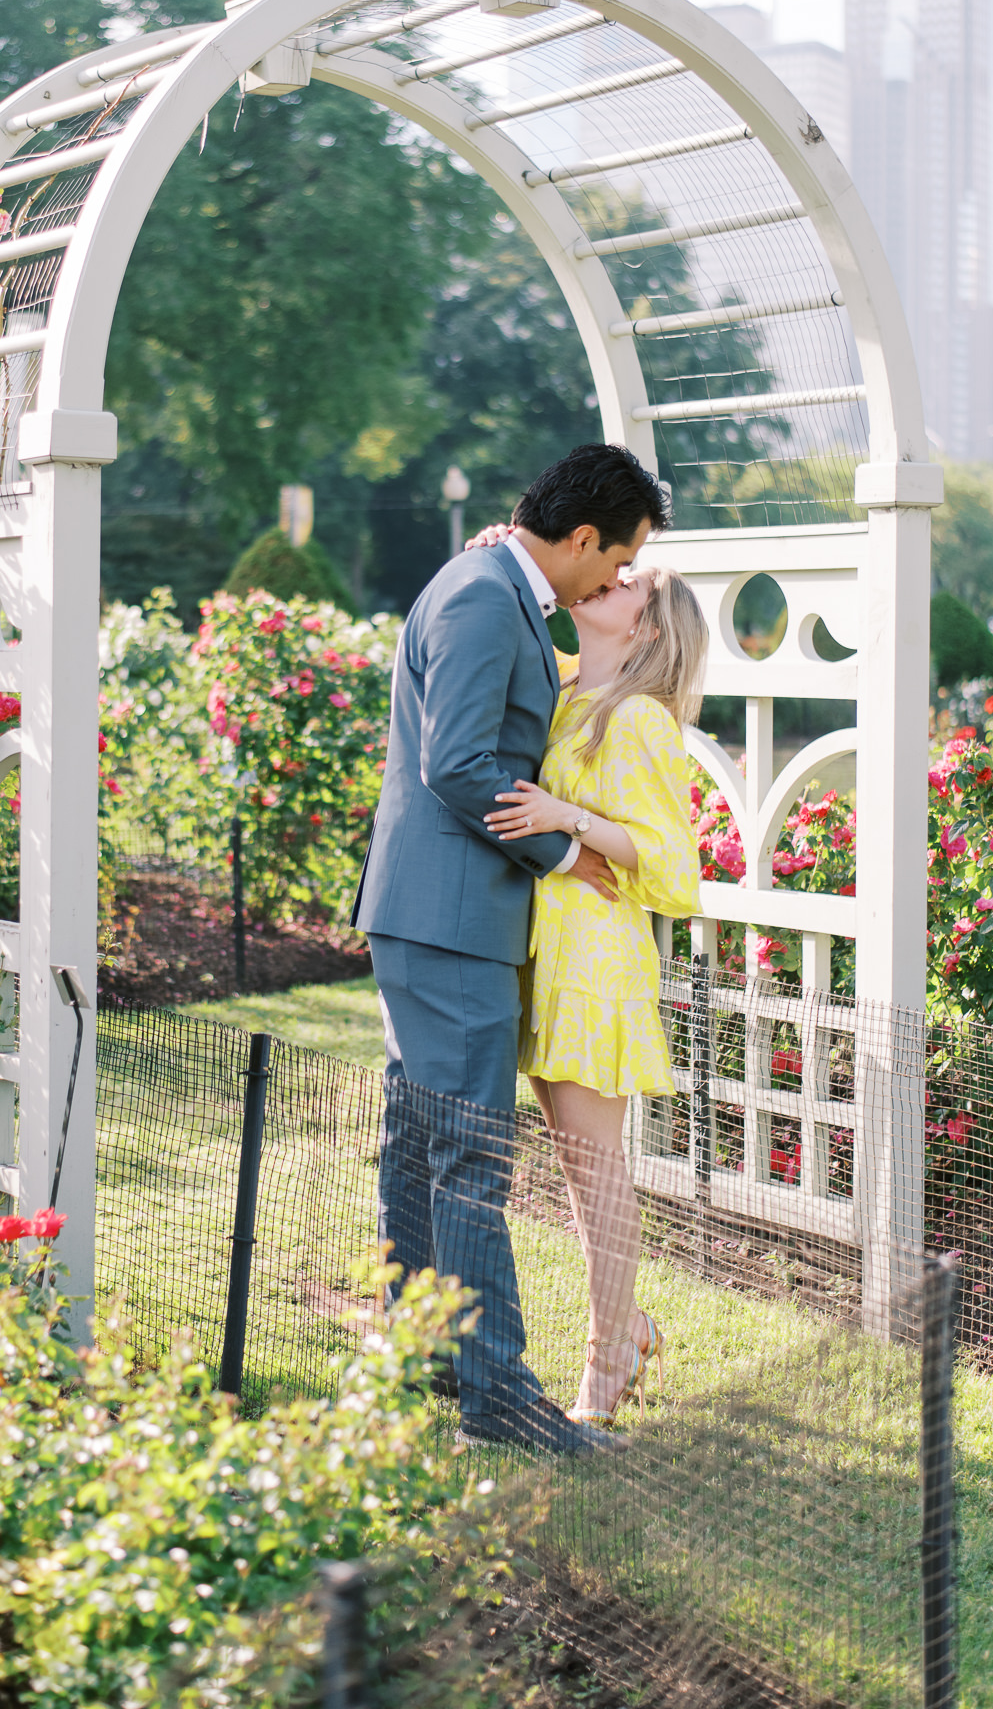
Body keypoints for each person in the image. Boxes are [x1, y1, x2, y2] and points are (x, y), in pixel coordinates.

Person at [351, 443, 665, 1454]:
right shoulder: (488, 596)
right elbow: (456, 761)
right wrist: (565, 847)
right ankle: (498, 1399)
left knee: (420, 1142)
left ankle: (425, 1358)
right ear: (580, 537)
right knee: (466, 1158)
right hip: (450, 916)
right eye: (614, 560)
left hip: (432, 914)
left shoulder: (488, 581)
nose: (614, 579)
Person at [483, 562, 706, 1426]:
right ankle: (630, 1327)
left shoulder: (642, 719)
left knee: (591, 1169)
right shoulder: (570, 682)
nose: (604, 578)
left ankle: (607, 1358)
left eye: (626, 584)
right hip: (543, 949)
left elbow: (673, 866)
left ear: (646, 628)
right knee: (575, 1167)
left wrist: (562, 816)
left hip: (593, 963)